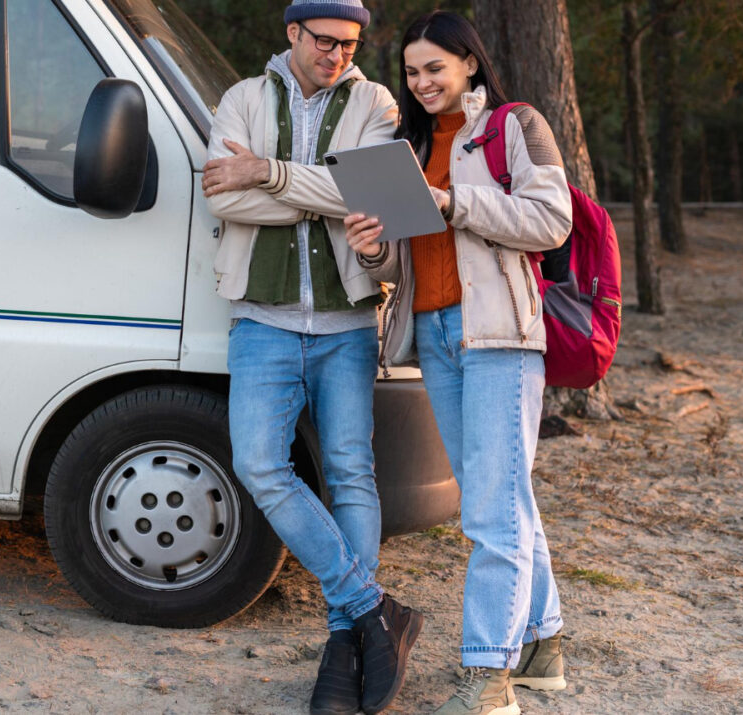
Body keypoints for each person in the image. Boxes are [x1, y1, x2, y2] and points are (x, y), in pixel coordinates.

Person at [344, 11, 572, 715]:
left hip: (500, 334)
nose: (421, 83)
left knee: (489, 510)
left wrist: (454, 201)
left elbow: (551, 219)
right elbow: (399, 260)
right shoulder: (406, 143)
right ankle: (541, 646)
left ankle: (488, 677)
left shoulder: (513, 125)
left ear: (468, 63)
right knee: (502, 496)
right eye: (411, 72)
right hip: (433, 334)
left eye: (434, 68)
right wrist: (372, 243)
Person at [202, 2, 421, 713]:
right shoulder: (242, 98)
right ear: (292, 33)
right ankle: (371, 607)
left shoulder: (375, 102)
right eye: (324, 41)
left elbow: (385, 200)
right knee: (261, 463)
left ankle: (343, 641)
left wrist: (265, 173)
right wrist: (325, 191)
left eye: (349, 44)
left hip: (346, 322)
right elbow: (220, 198)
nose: (337, 55)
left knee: (352, 472)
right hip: (262, 322)